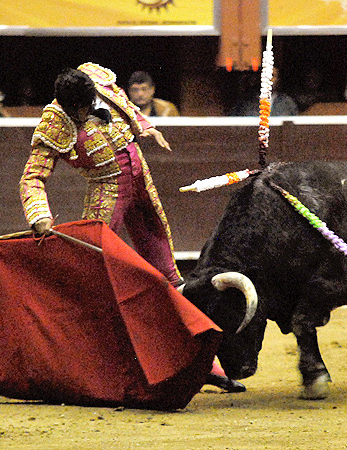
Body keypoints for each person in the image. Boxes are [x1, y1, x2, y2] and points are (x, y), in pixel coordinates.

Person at [19, 62, 244, 393]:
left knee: (170, 276)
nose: (85, 112)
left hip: (142, 180)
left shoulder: (98, 80)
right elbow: (32, 177)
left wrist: (144, 126)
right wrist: (39, 215)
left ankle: (203, 364)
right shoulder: (54, 121)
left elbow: (123, 103)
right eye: (80, 110)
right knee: (96, 281)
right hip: (106, 192)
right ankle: (92, 366)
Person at [229, 68, 299, 116]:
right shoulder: (245, 103)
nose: (268, 78)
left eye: (272, 75)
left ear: (278, 80)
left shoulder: (288, 103)